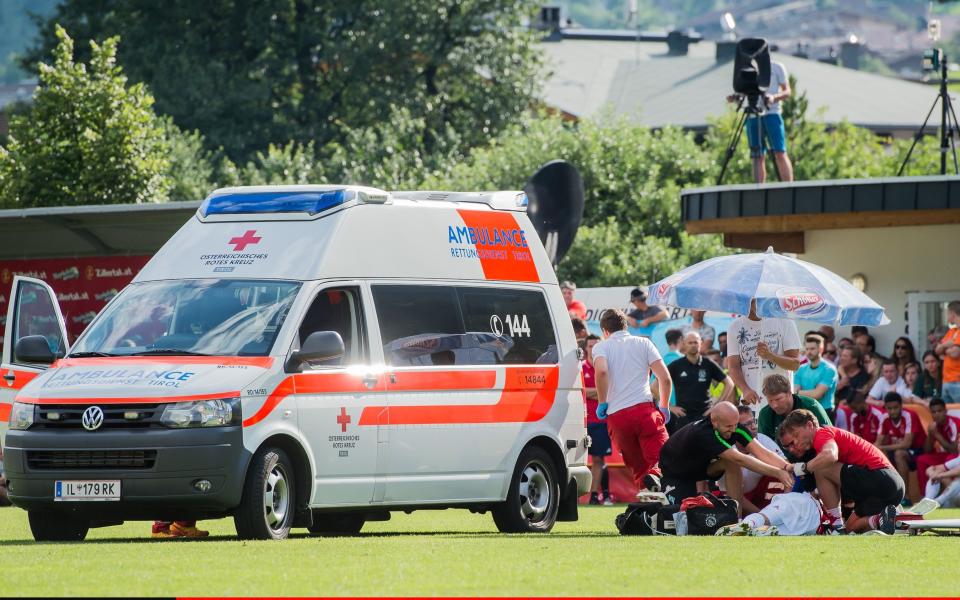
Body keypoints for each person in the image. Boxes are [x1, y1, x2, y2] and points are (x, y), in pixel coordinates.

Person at [778, 409, 902, 534]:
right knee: (850, 527)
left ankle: (835, 524)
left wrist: (804, 468)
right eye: (788, 447)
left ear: (810, 425)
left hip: (881, 478)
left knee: (821, 467)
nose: (792, 449)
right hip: (892, 488)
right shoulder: (821, 439)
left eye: (794, 440)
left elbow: (830, 455)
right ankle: (882, 519)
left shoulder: (821, 433)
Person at [660, 401, 793, 513]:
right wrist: (777, 472)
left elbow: (762, 452)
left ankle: (736, 517)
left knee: (731, 462)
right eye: (729, 426)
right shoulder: (703, 433)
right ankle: (656, 478)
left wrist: (787, 466)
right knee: (681, 518)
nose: (734, 430)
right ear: (714, 422)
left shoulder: (734, 427)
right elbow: (740, 458)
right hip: (676, 473)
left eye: (736, 425)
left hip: (703, 467)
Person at [593, 309, 671, 492]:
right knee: (662, 459)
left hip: (617, 417)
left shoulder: (601, 347)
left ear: (604, 330)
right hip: (645, 410)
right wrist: (664, 406)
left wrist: (602, 402)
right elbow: (665, 379)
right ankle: (656, 479)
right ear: (626, 326)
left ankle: (646, 502)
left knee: (638, 468)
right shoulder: (644, 343)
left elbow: (602, 372)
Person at [725, 298, 801, 409]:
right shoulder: (734, 327)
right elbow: (733, 366)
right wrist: (745, 389)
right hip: (752, 401)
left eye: (756, 299)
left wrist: (770, 356)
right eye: (748, 298)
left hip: (780, 402)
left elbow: (795, 364)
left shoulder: (785, 321)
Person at [727, 60, 794, 183]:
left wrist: (774, 97)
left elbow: (787, 91)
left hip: (772, 113)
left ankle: (788, 186)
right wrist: (736, 97)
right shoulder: (745, 70)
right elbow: (743, 91)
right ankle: (759, 188)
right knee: (757, 155)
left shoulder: (777, 67)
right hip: (753, 115)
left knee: (779, 152)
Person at [718, 406, 789, 514]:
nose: (754, 427)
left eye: (753, 421)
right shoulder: (727, 449)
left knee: (783, 471)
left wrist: (785, 503)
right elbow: (731, 494)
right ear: (733, 428)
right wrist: (762, 516)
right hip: (737, 499)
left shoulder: (762, 439)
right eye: (747, 424)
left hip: (760, 494)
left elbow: (787, 467)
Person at [668, 331, 735, 431]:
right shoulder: (676, 365)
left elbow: (729, 383)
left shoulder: (707, 363)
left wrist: (716, 406)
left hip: (705, 415)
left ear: (701, 343)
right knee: (685, 446)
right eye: (690, 343)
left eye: (695, 342)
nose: (693, 345)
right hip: (682, 417)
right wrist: (670, 407)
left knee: (706, 445)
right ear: (684, 344)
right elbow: (654, 387)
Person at [582, 334, 612, 505]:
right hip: (583, 420)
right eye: (590, 346)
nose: (593, 349)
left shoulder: (606, 367)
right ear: (585, 348)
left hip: (601, 420)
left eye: (596, 345)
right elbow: (581, 391)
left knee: (599, 459)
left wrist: (592, 392)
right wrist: (600, 391)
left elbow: (609, 390)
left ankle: (595, 495)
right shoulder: (580, 367)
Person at [876, 392, 926, 492]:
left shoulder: (909, 415)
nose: (893, 411)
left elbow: (906, 444)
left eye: (896, 408)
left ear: (901, 406)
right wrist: (879, 449)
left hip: (917, 450)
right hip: (897, 450)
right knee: (879, 455)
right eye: (889, 408)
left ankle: (904, 495)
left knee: (899, 454)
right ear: (885, 408)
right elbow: (878, 443)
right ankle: (884, 494)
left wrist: (882, 448)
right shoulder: (884, 418)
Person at [757, 374, 830, 442]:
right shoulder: (765, 415)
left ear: (789, 393)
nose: (774, 405)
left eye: (778, 399)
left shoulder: (811, 406)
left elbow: (830, 436)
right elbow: (764, 446)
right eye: (770, 400)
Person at [715, 491, 825, 536]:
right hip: (813, 514)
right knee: (776, 530)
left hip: (801, 502)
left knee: (764, 518)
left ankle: (747, 524)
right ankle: (754, 530)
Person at [915, 398, 960, 494]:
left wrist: (937, 435)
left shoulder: (954, 423)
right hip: (946, 455)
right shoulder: (935, 426)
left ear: (945, 411)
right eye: (933, 412)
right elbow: (927, 450)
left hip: (956, 456)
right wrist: (930, 434)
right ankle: (925, 496)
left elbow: (954, 451)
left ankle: (952, 493)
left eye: (939, 411)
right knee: (922, 459)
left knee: (950, 458)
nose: (937, 414)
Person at [793, 334, 838, 420]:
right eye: (807, 349)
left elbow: (817, 394)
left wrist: (798, 392)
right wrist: (798, 392)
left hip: (825, 412)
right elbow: (794, 391)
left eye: (812, 349)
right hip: (805, 412)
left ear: (821, 349)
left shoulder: (829, 369)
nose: (809, 352)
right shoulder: (801, 369)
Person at [936, 301, 960, 403]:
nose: (947, 316)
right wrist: (947, 345)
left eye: (947, 313)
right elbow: (937, 350)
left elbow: (955, 353)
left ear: (952, 314)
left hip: (957, 381)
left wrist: (944, 348)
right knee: (947, 415)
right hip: (946, 380)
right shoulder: (951, 331)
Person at [654, 328, 684, 408]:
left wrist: (669, 406)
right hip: (683, 408)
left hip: (664, 408)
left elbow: (653, 387)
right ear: (681, 339)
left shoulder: (659, 361)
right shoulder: (685, 360)